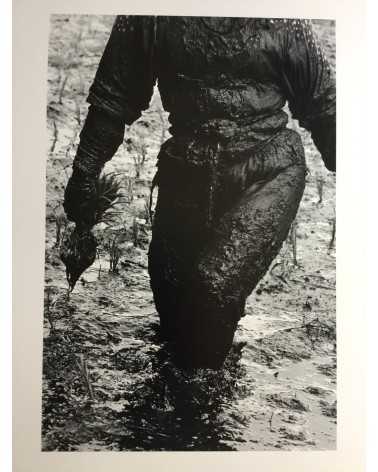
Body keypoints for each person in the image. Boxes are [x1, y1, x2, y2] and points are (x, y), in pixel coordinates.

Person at [64, 16, 336, 369]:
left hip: (267, 168)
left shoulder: (282, 19)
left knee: (212, 288)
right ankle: (203, 387)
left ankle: (197, 413)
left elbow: (326, 109)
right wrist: (84, 173)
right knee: (174, 315)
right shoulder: (150, 14)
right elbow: (114, 99)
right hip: (186, 168)